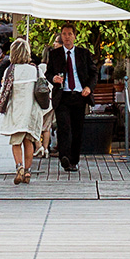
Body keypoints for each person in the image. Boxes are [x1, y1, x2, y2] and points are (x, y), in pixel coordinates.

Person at [0, 38, 46, 183]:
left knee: (16, 142)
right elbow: (45, 88)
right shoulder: (35, 70)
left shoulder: (10, 71)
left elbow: (4, 91)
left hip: (16, 111)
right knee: (28, 142)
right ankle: (28, 172)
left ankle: (19, 167)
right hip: (32, 111)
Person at [44, 24, 95, 172]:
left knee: (77, 129)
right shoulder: (55, 54)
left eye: (69, 34)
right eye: (64, 34)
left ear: (74, 36)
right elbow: (48, 73)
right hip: (62, 96)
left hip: (79, 96)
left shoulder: (83, 54)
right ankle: (64, 157)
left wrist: (89, 87)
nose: (66, 37)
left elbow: (93, 73)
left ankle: (74, 160)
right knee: (64, 127)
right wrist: (53, 78)